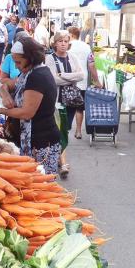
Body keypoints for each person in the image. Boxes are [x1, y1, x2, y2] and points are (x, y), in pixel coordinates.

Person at [0, 38, 61, 174]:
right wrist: (6, 95)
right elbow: (5, 85)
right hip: (32, 140)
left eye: (18, 62)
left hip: (41, 142)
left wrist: (0, 111)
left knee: (42, 182)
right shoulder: (27, 73)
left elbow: (27, 113)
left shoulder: (37, 76)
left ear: (30, 58)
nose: (16, 66)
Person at [46, 31, 85, 178]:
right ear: (55, 43)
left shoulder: (73, 57)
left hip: (71, 100)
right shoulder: (49, 58)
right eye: (60, 41)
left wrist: (63, 75)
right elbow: (52, 79)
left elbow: (81, 75)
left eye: (66, 41)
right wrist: (71, 78)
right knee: (59, 130)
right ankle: (63, 162)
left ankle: (58, 156)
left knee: (66, 129)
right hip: (56, 100)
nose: (63, 44)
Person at [68, 26, 100, 138]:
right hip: (82, 81)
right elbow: (91, 65)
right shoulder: (87, 47)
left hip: (68, 81)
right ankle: (78, 131)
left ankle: (65, 131)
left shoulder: (67, 46)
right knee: (79, 108)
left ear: (71, 35)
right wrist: (97, 81)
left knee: (67, 107)